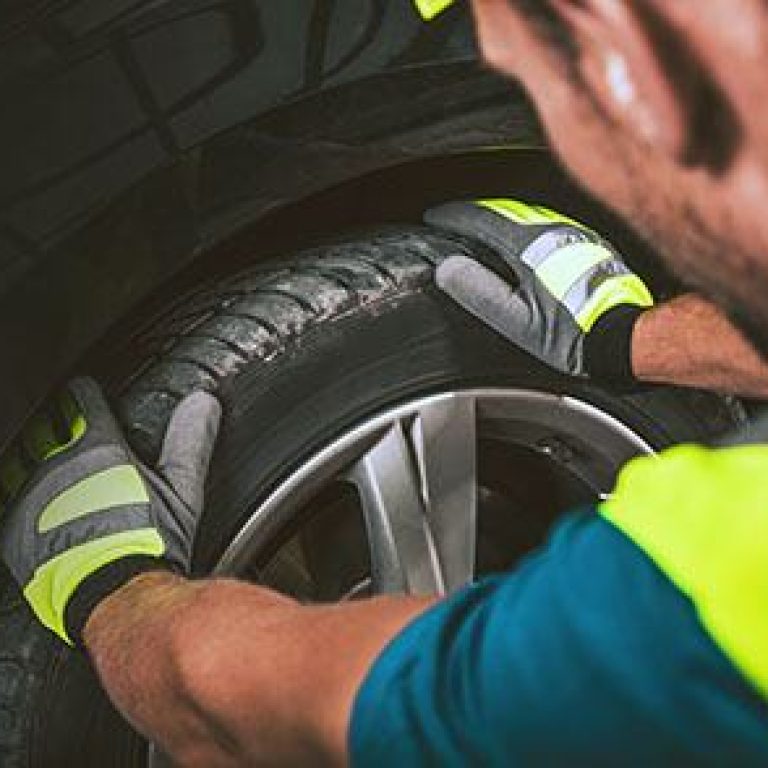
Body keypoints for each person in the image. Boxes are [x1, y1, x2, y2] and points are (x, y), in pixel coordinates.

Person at [3, 0, 768, 764]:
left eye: (522, 70)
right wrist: (630, 341)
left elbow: (278, 716)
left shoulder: (707, 596)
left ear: (627, 64)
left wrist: (116, 588)